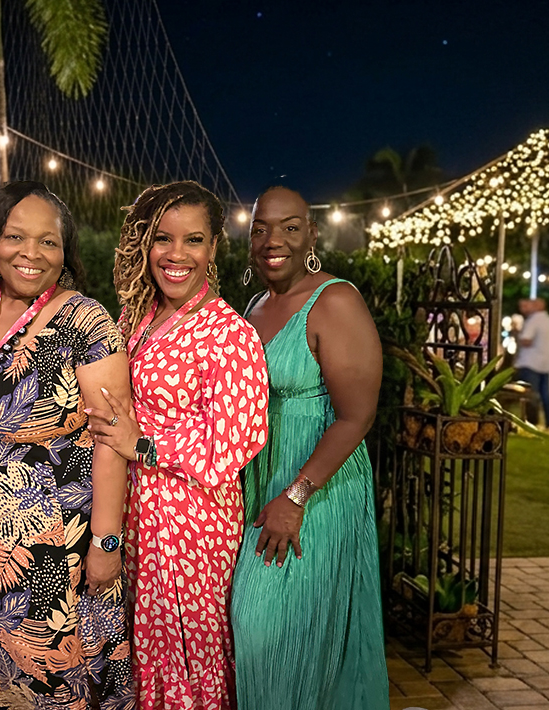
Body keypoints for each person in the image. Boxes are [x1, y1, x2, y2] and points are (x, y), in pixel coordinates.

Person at [0, 181, 135, 710]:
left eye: (48, 242)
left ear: (66, 254)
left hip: (45, 560)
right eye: (16, 236)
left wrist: (106, 547)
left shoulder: (86, 323)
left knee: (48, 683)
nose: (31, 253)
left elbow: (111, 442)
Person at [86, 181, 269, 709]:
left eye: (193, 240)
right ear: (146, 245)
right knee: (143, 653)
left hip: (191, 526)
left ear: (213, 248)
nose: (176, 254)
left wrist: (139, 443)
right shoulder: (138, 319)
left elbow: (235, 440)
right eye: (163, 239)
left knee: (188, 656)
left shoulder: (228, 333)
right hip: (138, 515)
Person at [231, 185, 389, 710]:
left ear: (312, 234)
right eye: (260, 228)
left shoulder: (335, 301)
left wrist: (296, 496)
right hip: (265, 486)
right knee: (265, 638)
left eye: (290, 227)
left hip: (315, 493)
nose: (273, 240)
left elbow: (356, 415)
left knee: (269, 629)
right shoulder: (258, 303)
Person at [515, 297, 549, 426]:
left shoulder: (533, 320)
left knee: (530, 395)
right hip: (546, 364)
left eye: (527, 306)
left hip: (530, 363)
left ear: (536, 306)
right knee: (546, 395)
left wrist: (518, 334)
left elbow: (526, 340)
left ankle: (531, 423)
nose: (523, 309)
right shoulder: (547, 320)